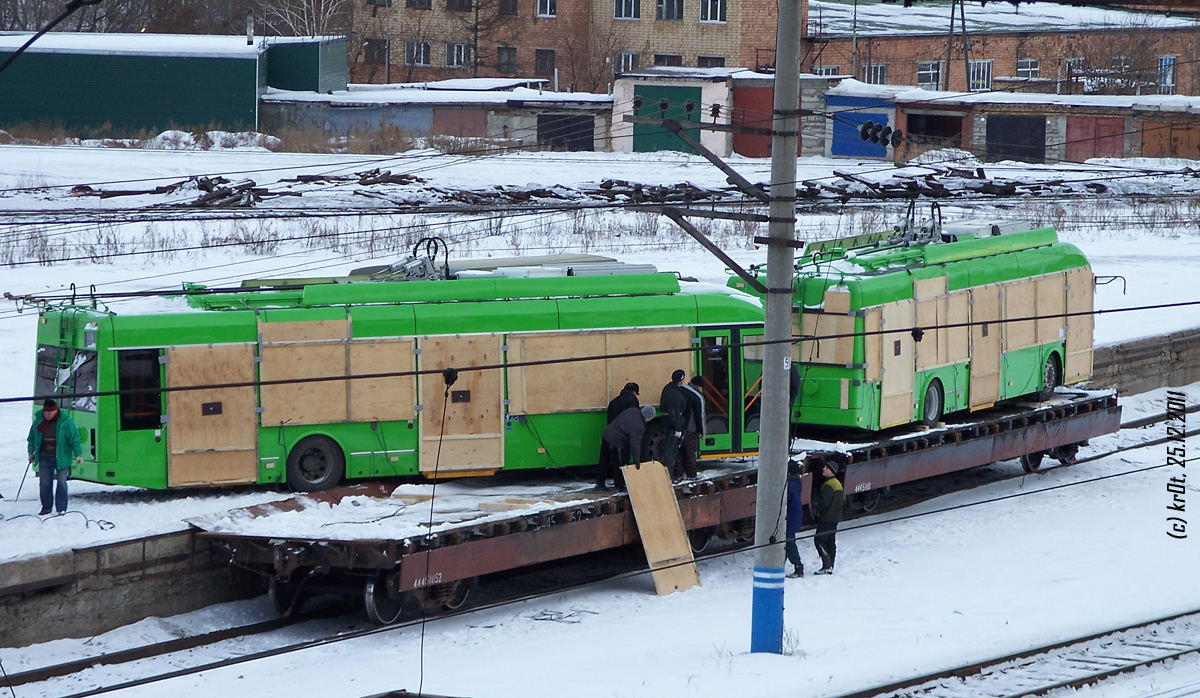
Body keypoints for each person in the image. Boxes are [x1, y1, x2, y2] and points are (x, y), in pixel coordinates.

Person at [27, 399, 82, 516]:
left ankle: (61, 508)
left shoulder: (66, 422)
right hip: (45, 456)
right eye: (45, 412)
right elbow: (31, 438)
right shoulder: (39, 422)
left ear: (55, 411)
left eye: (50, 412)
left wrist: (78, 454)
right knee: (45, 483)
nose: (47, 415)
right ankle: (46, 507)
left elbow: (75, 439)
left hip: (62, 457)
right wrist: (31, 453)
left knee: (61, 483)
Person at [596, 404, 656, 491]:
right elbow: (635, 444)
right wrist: (637, 461)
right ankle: (619, 486)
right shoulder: (639, 426)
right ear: (649, 418)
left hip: (607, 435)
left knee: (604, 460)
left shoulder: (633, 410)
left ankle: (599, 483)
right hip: (615, 440)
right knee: (618, 463)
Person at [811, 459, 844, 575]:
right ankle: (830, 565)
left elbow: (824, 502)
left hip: (827, 518)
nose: (823, 469)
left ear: (832, 471)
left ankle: (826, 565)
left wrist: (816, 510)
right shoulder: (837, 483)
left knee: (819, 540)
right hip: (835, 517)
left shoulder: (828, 485)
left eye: (827, 468)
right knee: (830, 541)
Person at [676, 375, 706, 480]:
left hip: (678, 427)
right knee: (690, 453)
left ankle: (678, 473)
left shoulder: (681, 389)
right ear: (699, 386)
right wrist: (703, 432)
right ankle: (692, 475)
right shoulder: (697, 397)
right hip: (691, 428)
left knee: (679, 452)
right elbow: (700, 415)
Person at [658, 369, 687, 474]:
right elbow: (674, 413)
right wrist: (678, 429)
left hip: (667, 423)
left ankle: (668, 473)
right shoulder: (675, 393)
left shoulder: (668, 388)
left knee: (669, 449)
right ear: (681, 379)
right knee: (670, 451)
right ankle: (668, 475)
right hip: (672, 426)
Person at [785, 460, 805, 578]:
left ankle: (798, 566)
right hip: (795, 516)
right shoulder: (796, 481)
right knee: (788, 541)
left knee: (789, 542)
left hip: (790, 517)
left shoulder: (789, 486)